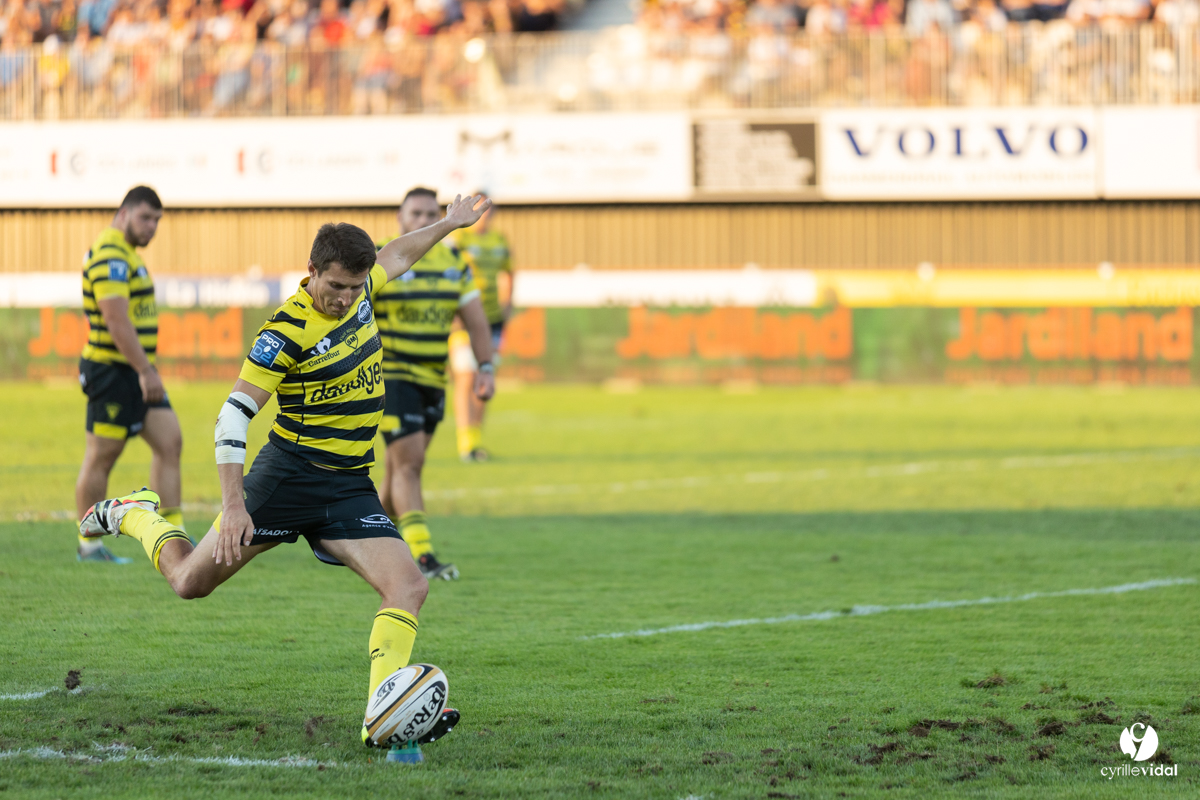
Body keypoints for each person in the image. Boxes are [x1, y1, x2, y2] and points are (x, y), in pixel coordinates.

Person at [79, 195, 491, 748]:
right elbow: (232, 418)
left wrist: (449, 223)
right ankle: (135, 515)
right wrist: (232, 506)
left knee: (409, 585)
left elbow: (398, 254)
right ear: (312, 271)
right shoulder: (283, 333)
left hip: (347, 486)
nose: (346, 299)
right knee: (188, 583)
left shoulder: (364, 288)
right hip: (286, 478)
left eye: (355, 287)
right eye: (336, 286)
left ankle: (380, 716)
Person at [374, 188, 496, 581]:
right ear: (400, 217)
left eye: (431, 213)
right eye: (416, 213)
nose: (424, 220)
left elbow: (476, 319)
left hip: (432, 378)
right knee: (409, 465)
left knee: (399, 472)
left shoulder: (454, 260)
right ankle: (422, 557)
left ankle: (351, 537)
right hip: (391, 376)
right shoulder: (383, 256)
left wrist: (486, 366)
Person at [75, 186, 183, 564]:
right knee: (102, 456)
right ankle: (88, 546)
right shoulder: (110, 253)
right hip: (113, 371)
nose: (151, 227)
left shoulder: (126, 255)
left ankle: (174, 536)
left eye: (157, 220)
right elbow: (116, 319)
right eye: (145, 218)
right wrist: (144, 370)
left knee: (170, 442)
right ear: (123, 213)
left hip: (135, 373)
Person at [449, 194, 513, 462]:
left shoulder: (500, 241)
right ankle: (465, 442)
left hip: (492, 318)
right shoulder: (460, 239)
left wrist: (508, 304)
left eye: (489, 208)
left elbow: (509, 273)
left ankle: (475, 440)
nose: (485, 214)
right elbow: (448, 272)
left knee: (484, 379)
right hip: (463, 317)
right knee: (465, 377)